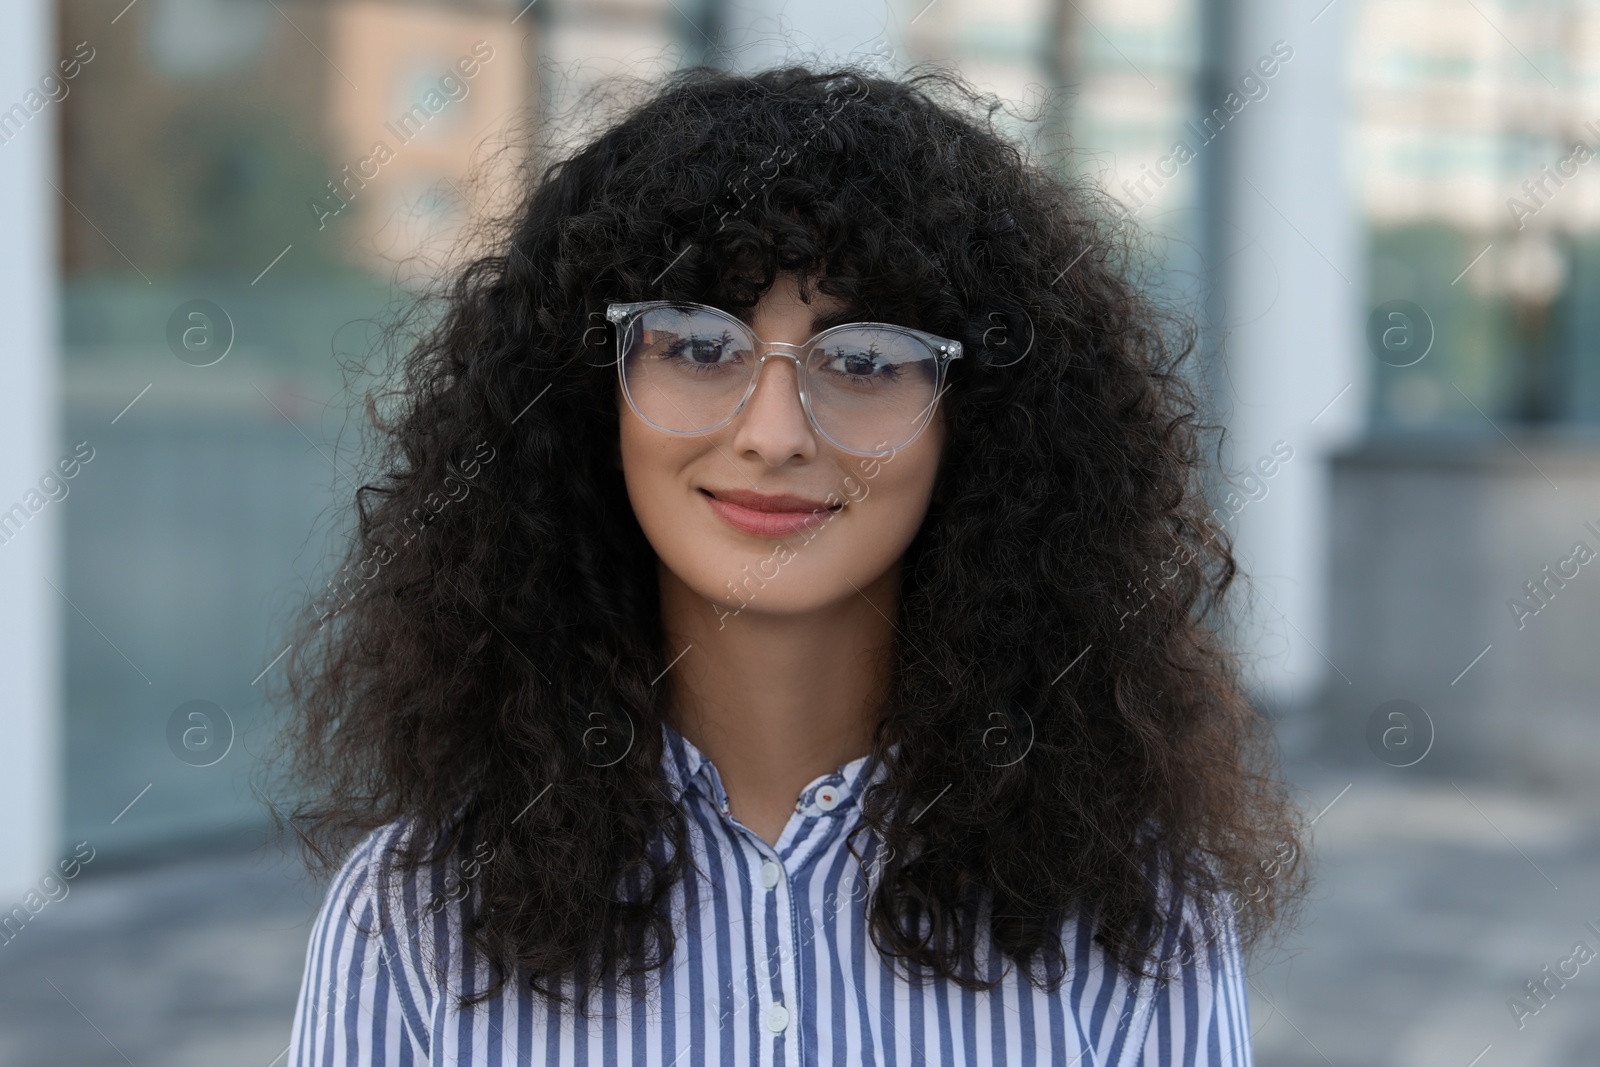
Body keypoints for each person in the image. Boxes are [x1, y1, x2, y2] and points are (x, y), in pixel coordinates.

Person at [266, 59, 1307, 1066]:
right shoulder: (413, 917)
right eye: (694, 342)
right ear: (587, 401)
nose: (772, 432)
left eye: (860, 361)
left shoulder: (1134, 916)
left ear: (980, 427)